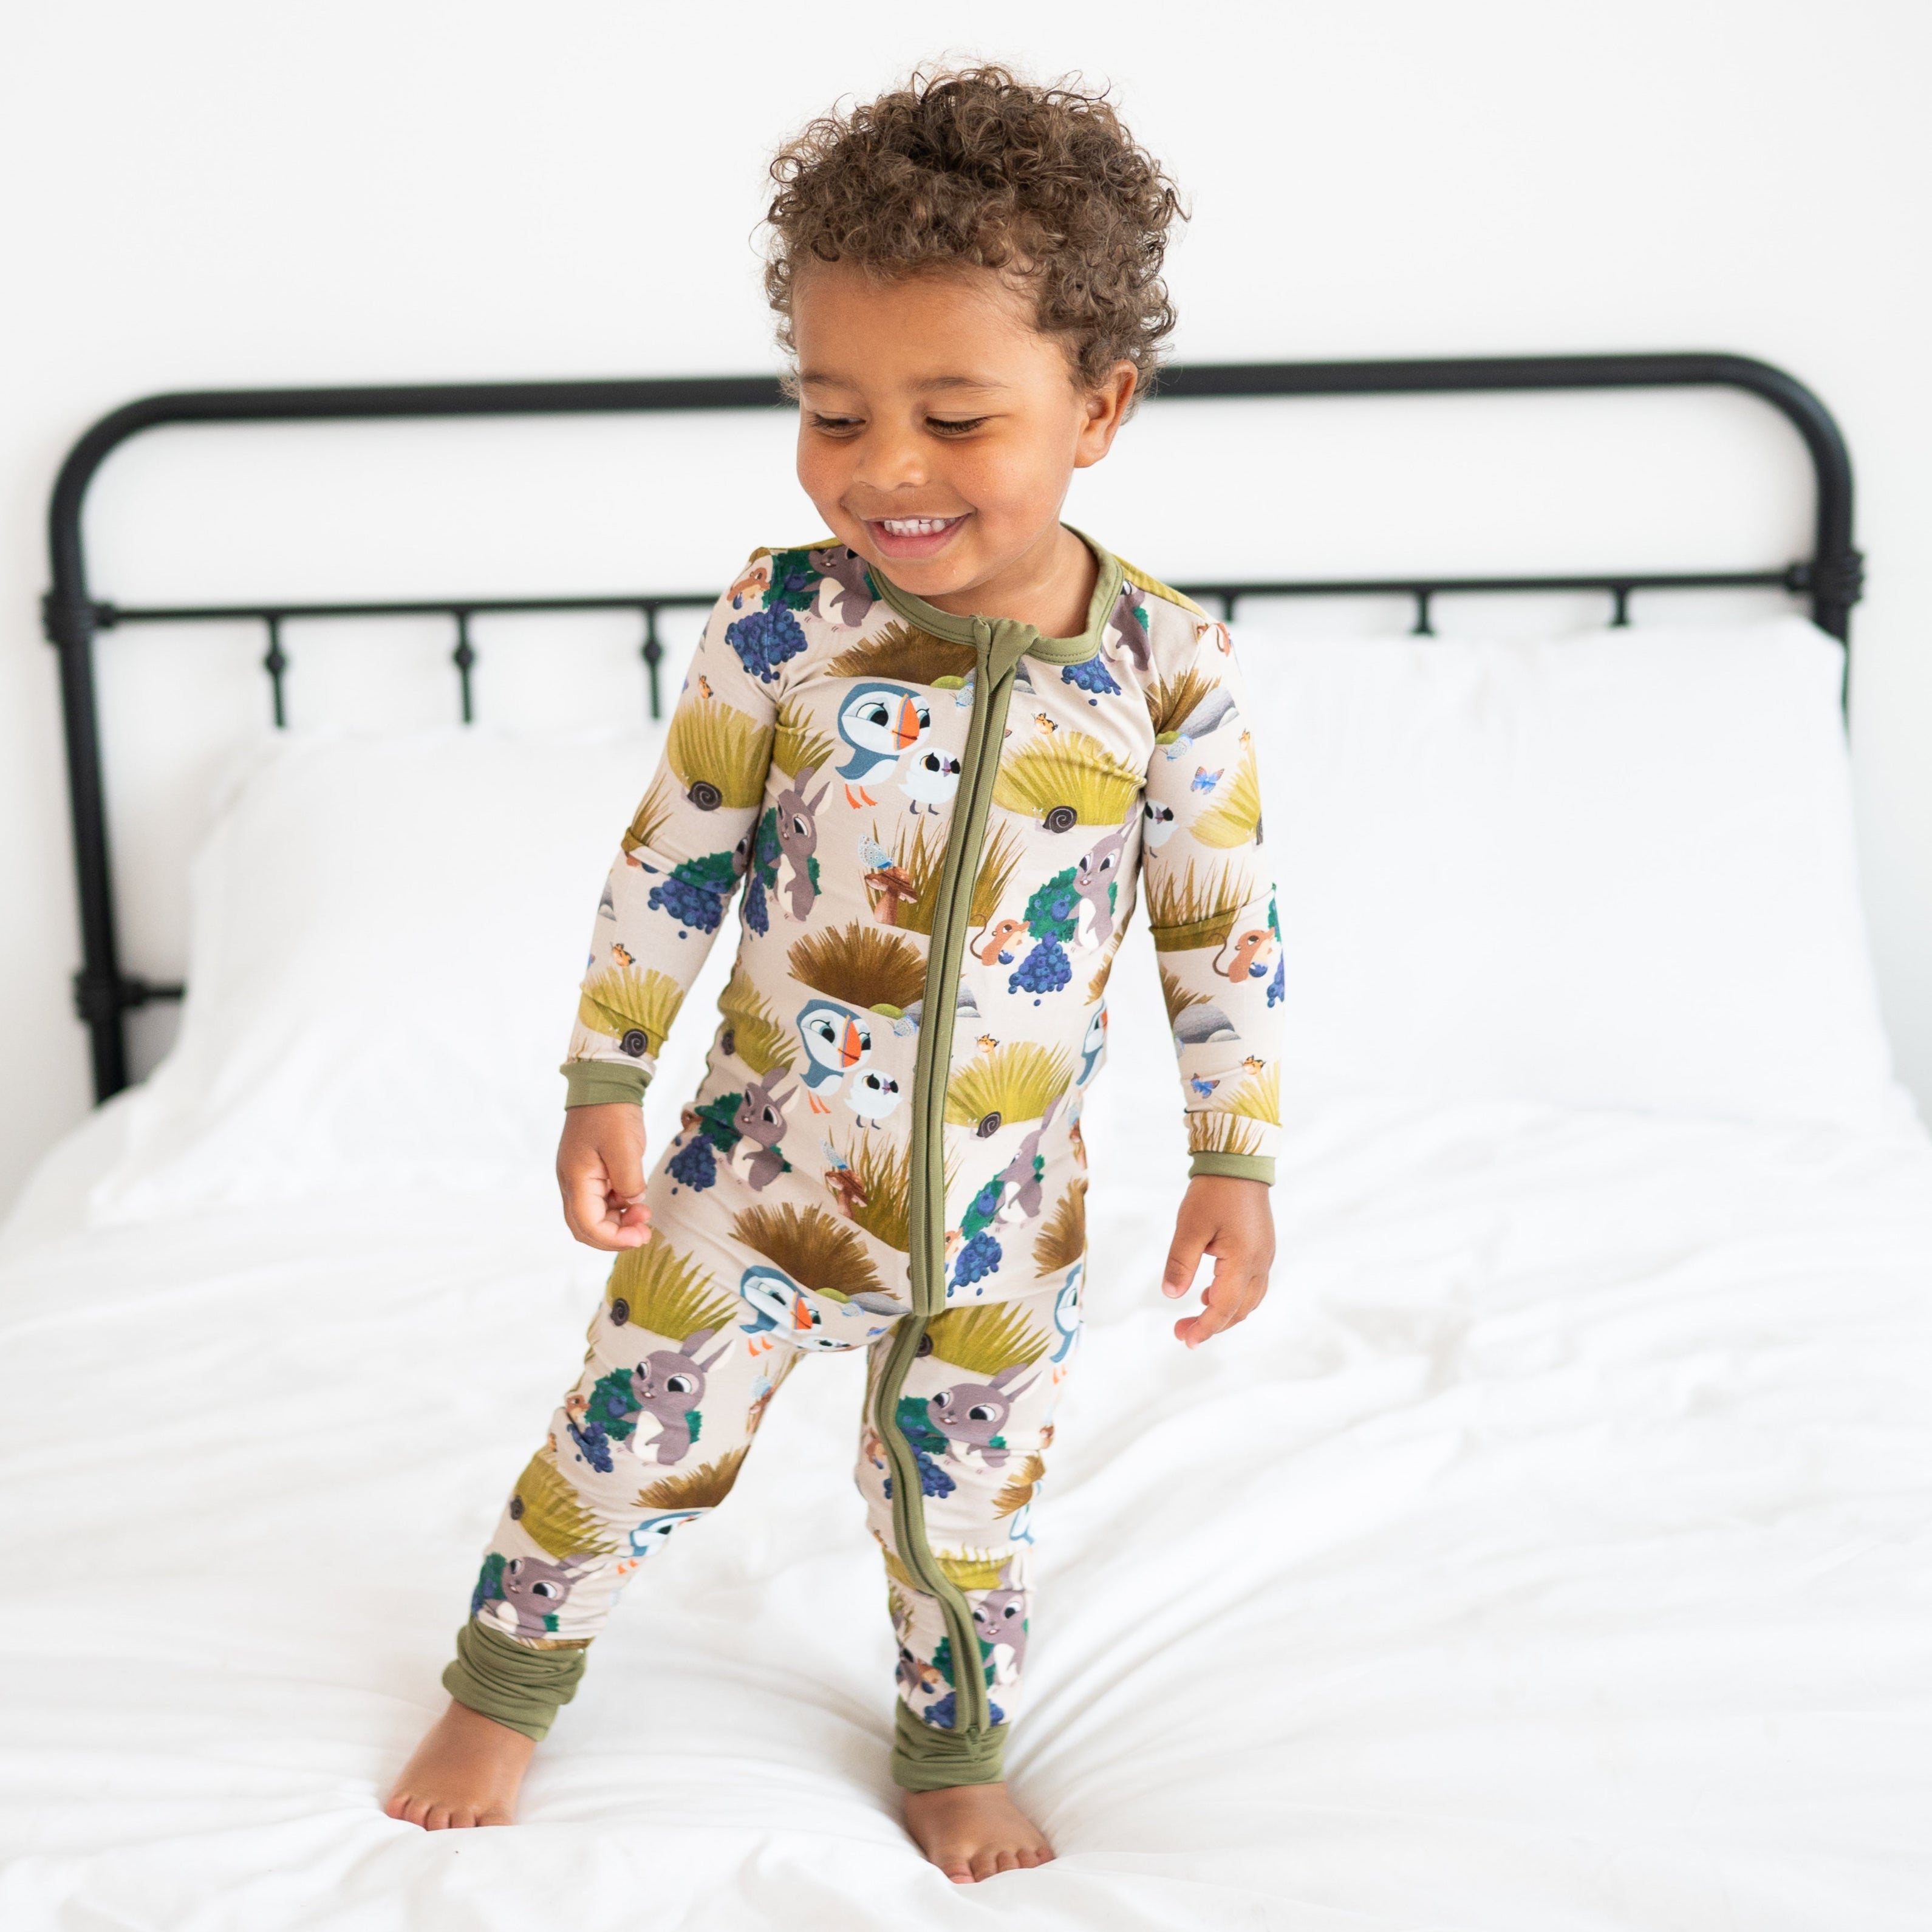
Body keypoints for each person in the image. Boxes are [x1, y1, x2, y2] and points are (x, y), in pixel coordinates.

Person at [386, 63, 1282, 1884]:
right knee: (624, 1438)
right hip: (755, 1171)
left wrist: (1235, 1158)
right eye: (832, 408)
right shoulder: (786, 621)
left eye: (957, 417)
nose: (884, 468)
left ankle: (951, 1741)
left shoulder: (1167, 672)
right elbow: (680, 848)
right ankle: (504, 1679)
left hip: (1005, 1211)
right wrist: (605, 1078)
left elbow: (1221, 930)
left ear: (1099, 404)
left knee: (971, 1504)